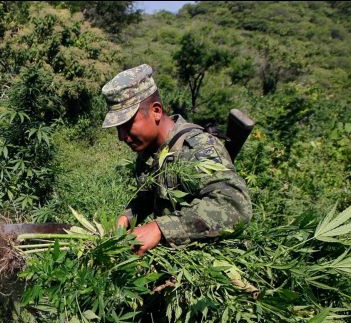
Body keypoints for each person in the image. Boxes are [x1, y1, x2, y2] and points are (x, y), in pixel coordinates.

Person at [102, 64, 252, 256]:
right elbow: (148, 195)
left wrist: (159, 228)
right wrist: (128, 216)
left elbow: (236, 207)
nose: (122, 136)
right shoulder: (149, 151)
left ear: (156, 111)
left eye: (127, 124)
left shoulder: (198, 149)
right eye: (118, 128)